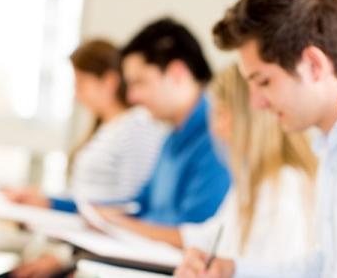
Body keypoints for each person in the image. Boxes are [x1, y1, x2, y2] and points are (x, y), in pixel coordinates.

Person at [175, 0, 337, 277]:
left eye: (263, 81)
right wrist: (233, 271)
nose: (256, 102)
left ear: (314, 65)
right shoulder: (336, 144)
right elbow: (325, 267)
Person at [123, 64, 318, 267]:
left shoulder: (283, 188)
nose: (216, 127)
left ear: (252, 117)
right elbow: (208, 237)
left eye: (221, 114)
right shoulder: (252, 181)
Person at [92, 18, 231, 234]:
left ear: (177, 73)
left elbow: (193, 234)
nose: (131, 97)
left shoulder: (219, 136)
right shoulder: (171, 137)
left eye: (139, 82)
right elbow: (138, 205)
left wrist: (121, 225)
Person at [4, 39, 164, 211]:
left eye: (81, 83)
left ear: (109, 81)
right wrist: (43, 198)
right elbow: (84, 196)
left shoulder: (136, 127)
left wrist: (51, 203)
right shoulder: (106, 129)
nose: (77, 94)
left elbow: (129, 205)